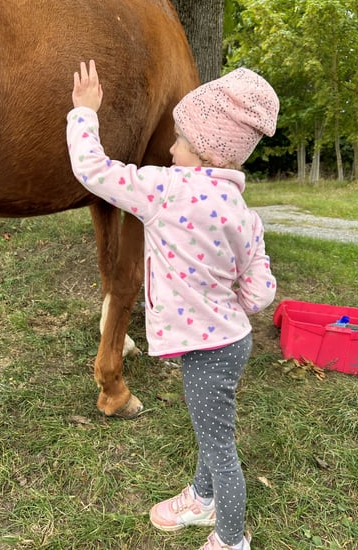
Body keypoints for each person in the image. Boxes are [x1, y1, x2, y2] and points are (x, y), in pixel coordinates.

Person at [67, 60, 279, 550]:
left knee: (219, 445)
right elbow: (259, 294)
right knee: (213, 429)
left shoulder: (165, 190)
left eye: (179, 138)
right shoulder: (246, 217)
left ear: (203, 150)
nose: (169, 147)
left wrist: (84, 113)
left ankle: (229, 539)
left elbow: (92, 170)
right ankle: (203, 497)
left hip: (207, 353)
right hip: (232, 344)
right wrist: (228, 295)